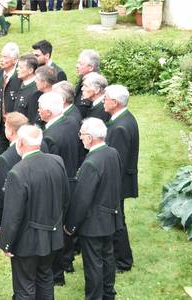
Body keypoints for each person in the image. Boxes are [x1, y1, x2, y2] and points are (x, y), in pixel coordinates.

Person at [0, 125, 69, 299]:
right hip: (52, 236)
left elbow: (13, 215)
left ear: (21, 142)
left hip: (27, 242)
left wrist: (6, 243)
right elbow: (66, 199)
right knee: (45, 279)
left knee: (24, 287)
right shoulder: (57, 162)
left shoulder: (18, 172)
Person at [64, 117, 123, 300]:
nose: (80, 138)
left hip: (93, 223)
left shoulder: (91, 163)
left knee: (93, 264)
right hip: (110, 217)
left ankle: (95, 297)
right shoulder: (112, 153)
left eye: (81, 135)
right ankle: (108, 293)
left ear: (89, 138)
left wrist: (70, 225)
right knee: (107, 258)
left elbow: (81, 199)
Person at [38, 92, 80, 286]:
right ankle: (67, 263)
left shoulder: (49, 138)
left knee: (56, 230)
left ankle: (57, 275)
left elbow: (48, 170)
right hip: (73, 179)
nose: (37, 110)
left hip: (59, 186)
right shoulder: (71, 123)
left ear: (47, 112)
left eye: (39, 108)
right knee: (66, 228)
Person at [104, 84, 139, 273]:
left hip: (118, 183)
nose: (103, 101)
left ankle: (123, 261)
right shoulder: (123, 118)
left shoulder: (120, 127)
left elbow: (117, 161)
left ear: (115, 103)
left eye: (106, 98)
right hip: (121, 180)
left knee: (117, 221)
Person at [0, 112, 28, 232]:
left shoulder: (6, 158)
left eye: (5, 126)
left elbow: (0, 192)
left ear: (11, 132)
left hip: (14, 212)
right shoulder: (40, 145)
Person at [0, 42, 21, 155]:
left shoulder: (20, 76)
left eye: (5, 57)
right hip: (2, 123)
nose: (1, 60)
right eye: (1, 56)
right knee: (2, 152)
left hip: (16, 122)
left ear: (14, 60)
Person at [13, 54, 42, 125]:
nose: (17, 69)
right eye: (17, 67)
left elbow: (33, 119)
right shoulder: (21, 83)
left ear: (30, 70)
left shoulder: (36, 90)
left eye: (21, 67)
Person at [74, 49, 100, 118]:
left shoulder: (95, 84)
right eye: (77, 63)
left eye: (81, 64)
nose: (77, 66)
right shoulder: (83, 79)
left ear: (91, 67)